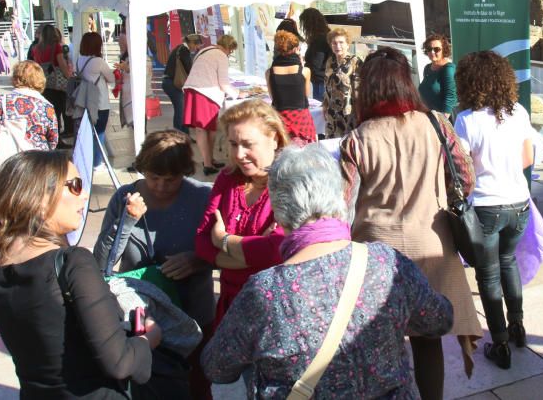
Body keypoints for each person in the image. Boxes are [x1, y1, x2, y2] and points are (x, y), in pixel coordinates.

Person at [202, 143, 454, 396]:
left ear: (279, 212)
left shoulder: (265, 291)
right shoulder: (387, 263)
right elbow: (440, 319)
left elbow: (217, 367)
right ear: (340, 196)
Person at [339, 47, 482, 399]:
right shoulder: (436, 124)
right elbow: (465, 179)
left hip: (374, 255)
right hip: (432, 245)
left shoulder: (357, 139)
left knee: (381, 340)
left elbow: (341, 202)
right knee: (427, 339)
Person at [0, 151, 160, 398]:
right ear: (40, 197)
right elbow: (120, 362)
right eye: (74, 185)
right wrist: (148, 339)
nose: (84, 195)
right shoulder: (73, 263)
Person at [93, 131, 213, 400]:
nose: (159, 186)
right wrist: (126, 222)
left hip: (192, 313)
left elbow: (221, 250)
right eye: (152, 177)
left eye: (170, 180)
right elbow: (102, 263)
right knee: (148, 386)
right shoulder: (125, 197)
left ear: (184, 172)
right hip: (139, 316)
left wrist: (198, 260)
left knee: (196, 385)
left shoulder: (203, 197)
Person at [454, 51, 543, 370]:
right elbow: (527, 159)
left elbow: (463, 171)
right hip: (518, 202)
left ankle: (500, 343)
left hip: (485, 205)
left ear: (468, 82)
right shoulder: (518, 112)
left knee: (488, 273)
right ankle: (518, 326)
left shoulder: (466, 120)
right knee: (508, 263)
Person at [194, 100, 289, 330]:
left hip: (271, 311)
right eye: (233, 144)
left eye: (248, 144)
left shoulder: (288, 183)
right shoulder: (228, 179)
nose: (239, 154)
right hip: (229, 307)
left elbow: (275, 251)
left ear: (274, 138)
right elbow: (202, 242)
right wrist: (250, 252)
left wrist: (224, 240)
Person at [0, 61, 59, 173]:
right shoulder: (47, 107)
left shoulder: (0, 101)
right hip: (35, 164)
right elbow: (53, 139)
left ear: (16, 78)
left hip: (4, 163)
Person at [182, 34, 239, 176]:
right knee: (206, 128)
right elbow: (224, 83)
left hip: (193, 90)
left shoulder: (204, 51)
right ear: (229, 48)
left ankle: (208, 160)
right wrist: (237, 94)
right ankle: (208, 163)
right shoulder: (221, 56)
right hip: (206, 93)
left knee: (204, 129)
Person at [74, 32, 116, 170]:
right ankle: (97, 162)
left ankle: (86, 158)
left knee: (87, 132)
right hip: (99, 101)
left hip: (83, 100)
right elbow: (111, 79)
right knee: (100, 132)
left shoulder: (79, 59)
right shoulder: (98, 62)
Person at [266, 30, 315, 144]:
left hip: (279, 118)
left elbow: (273, 97)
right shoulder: (305, 71)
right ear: (295, 49)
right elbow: (306, 95)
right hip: (301, 121)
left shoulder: (269, 72)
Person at [29, 24, 73, 140]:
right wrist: (69, 76)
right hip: (57, 85)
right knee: (60, 109)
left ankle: (52, 137)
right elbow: (62, 65)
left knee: (51, 111)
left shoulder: (36, 49)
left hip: (43, 83)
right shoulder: (56, 47)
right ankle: (58, 140)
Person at [322, 27, 362, 139]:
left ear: (348, 44)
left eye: (341, 42)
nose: (337, 46)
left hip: (348, 113)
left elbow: (359, 89)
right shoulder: (330, 61)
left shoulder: (355, 61)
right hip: (332, 111)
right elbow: (327, 84)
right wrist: (325, 104)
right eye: (334, 43)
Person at [162, 34, 203, 133]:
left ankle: (185, 134)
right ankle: (178, 135)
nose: (197, 48)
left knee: (183, 110)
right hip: (172, 83)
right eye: (197, 46)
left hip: (170, 82)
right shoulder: (184, 51)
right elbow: (189, 69)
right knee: (180, 110)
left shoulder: (179, 49)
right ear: (192, 43)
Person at [418, 33, 458, 117]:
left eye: (436, 49)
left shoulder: (448, 69)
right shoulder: (427, 68)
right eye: (429, 49)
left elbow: (450, 99)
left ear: (444, 50)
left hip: (443, 119)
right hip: (429, 115)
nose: (432, 52)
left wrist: (442, 123)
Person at [298, 7, 331, 101]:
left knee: (320, 108)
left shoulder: (320, 39)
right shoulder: (324, 35)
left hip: (320, 80)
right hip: (322, 79)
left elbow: (316, 63)